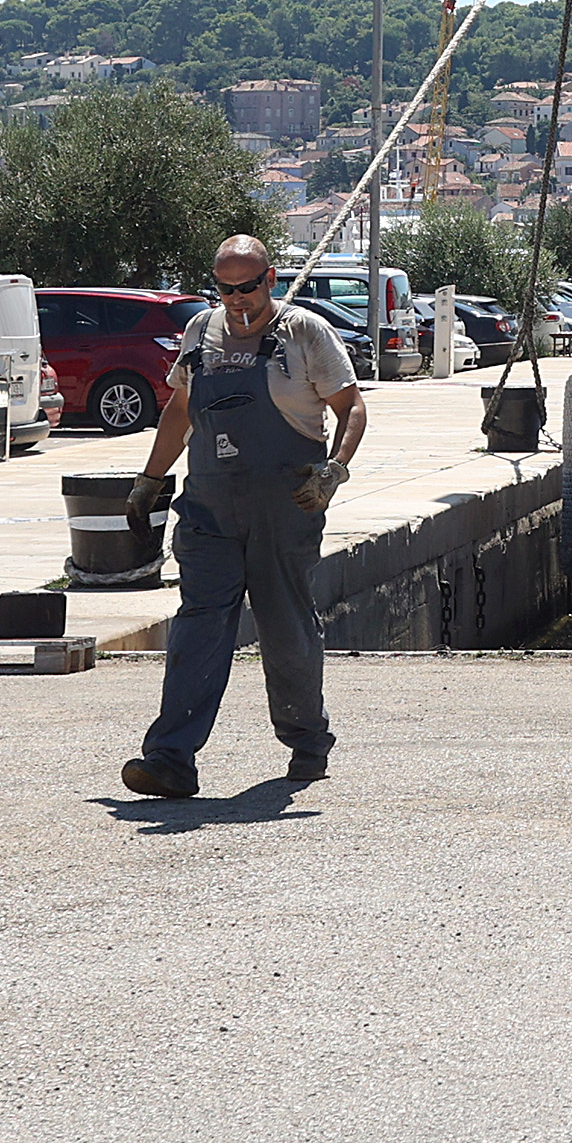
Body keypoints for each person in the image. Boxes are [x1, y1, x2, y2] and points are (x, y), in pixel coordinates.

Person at [119, 234, 367, 799]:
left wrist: (334, 471)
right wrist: (149, 481)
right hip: (210, 507)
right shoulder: (200, 332)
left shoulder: (303, 332)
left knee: (285, 626)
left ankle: (307, 742)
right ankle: (169, 759)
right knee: (199, 626)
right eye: (225, 289)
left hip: (286, 505)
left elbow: (351, 406)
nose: (236, 299)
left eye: (247, 287)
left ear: (270, 279)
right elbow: (180, 410)